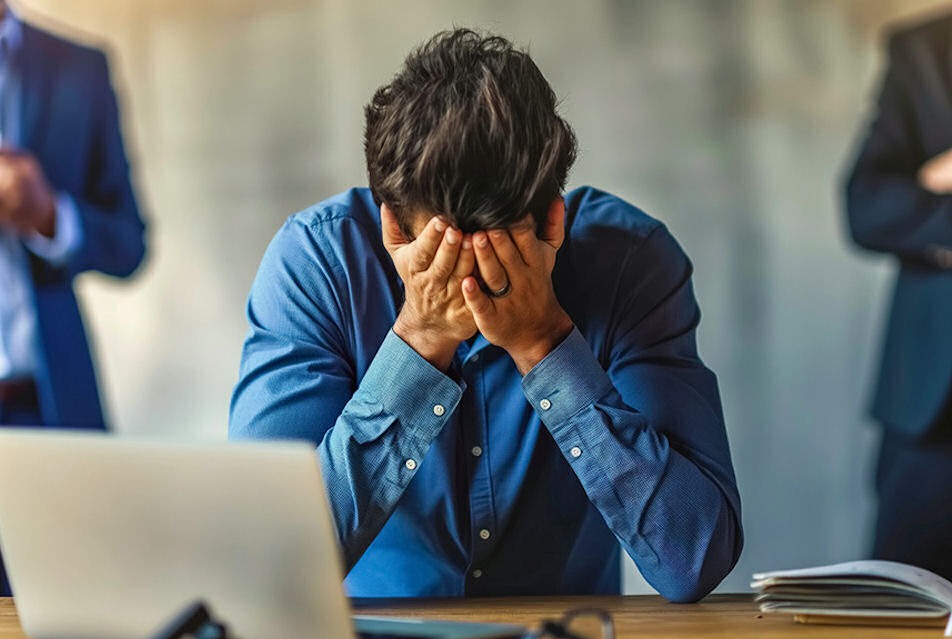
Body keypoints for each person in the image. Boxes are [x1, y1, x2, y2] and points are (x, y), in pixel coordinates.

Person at [229, 29, 742, 601]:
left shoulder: (630, 262)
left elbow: (695, 559)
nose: (469, 293)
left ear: (553, 220)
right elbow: (264, 560)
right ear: (393, 226)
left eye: (500, 259)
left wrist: (546, 343)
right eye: (445, 260)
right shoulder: (317, 265)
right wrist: (420, 342)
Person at [0, 0, 147, 595]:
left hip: (53, 407)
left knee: (68, 626)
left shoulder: (80, 67)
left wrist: (48, 215)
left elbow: (128, 244)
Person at [844, 11, 952, 580]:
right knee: (900, 606)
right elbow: (866, 207)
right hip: (933, 409)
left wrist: (936, 183)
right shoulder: (923, 51)